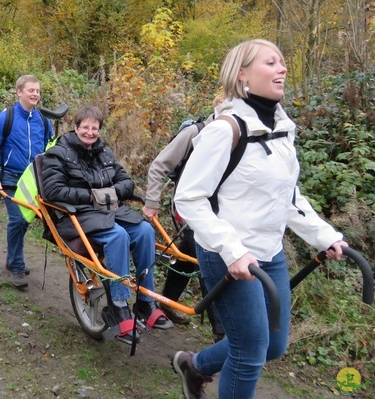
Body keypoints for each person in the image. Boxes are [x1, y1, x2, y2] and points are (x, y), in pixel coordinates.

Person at [170, 39, 348, 399]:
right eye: (271, 62)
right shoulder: (225, 130)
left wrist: (324, 235)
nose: (282, 68)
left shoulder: (282, 130)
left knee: (273, 346)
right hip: (227, 255)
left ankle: (195, 365)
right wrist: (232, 250)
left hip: (269, 253)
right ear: (243, 75)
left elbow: (289, 197)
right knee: (249, 352)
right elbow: (188, 198)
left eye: (283, 62)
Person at [41, 106, 171, 344]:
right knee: (118, 236)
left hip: (109, 210)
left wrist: (109, 193)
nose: (90, 132)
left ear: (99, 130)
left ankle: (146, 302)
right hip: (78, 215)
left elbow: (126, 182)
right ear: (76, 127)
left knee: (144, 230)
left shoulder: (104, 152)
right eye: (86, 127)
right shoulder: (58, 154)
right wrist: (91, 196)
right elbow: (52, 190)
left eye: (95, 128)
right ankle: (119, 307)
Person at [142, 95, 225, 342]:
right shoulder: (193, 133)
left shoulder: (237, 137)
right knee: (208, 262)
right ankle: (222, 335)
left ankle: (167, 302)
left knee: (189, 258)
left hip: (218, 212)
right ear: (217, 108)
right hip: (188, 210)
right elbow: (159, 166)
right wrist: (152, 202)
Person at [0, 75, 53, 288]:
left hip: (34, 181)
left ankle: (12, 258)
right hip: (11, 180)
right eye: (31, 90)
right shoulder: (5, 118)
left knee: (24, 223)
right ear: (19, 92)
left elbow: (50, 148)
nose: (35, 94)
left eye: (37, 91)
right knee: (18, 221)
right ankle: (17, 267)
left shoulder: (43, 120)